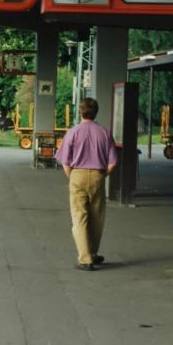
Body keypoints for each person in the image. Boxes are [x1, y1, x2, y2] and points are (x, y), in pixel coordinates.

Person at [55, 97, 117, 272]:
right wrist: (102, 176)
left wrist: (73, 177)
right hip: (98, 175)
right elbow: (113, 162)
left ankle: (85, 258)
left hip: (77, 175)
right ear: (96, 112)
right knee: (97, 217)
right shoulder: (105, 133)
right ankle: (93, 253)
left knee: (79, 217)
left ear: (80, 112)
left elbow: (65, 161)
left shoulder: (72, 132)